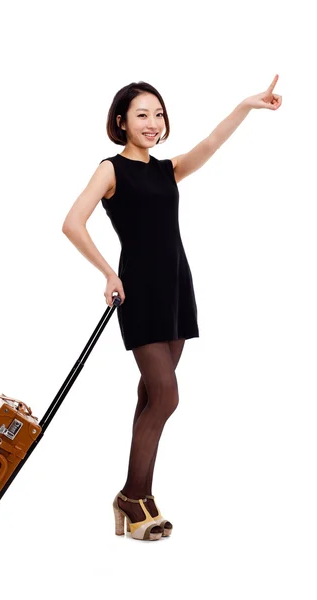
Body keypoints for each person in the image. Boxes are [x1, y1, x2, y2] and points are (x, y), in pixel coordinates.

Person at [61, 78, 282, 541]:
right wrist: (108, 273)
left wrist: (245, 105)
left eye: (158, 114)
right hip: (138, 292)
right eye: (142, 114)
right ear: (121, 122)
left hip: (178, 289)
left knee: (150, 398)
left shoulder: (168, 169)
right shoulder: (110, 169)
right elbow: (72, 223)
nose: (152, 123)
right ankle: (133, 495)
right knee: (166, 396)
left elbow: (212, 142)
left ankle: (137, 496)